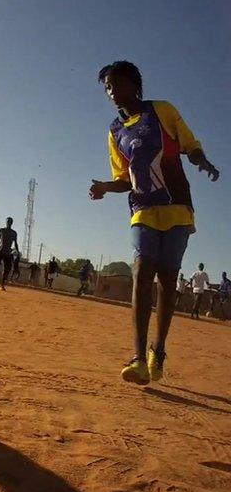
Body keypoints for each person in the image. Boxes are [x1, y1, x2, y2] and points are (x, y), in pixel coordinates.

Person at [89, 61, 220, 384]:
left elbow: (189, 145)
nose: (111, 92)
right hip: (143, 209)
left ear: (135, 84)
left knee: (167, 278)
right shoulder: (114, 131)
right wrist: (106, 187)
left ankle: (157, 350)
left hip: (177, 206)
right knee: (142, 269)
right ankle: (137, 357)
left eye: (116, 84)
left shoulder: (161, 110)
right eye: (107, 87)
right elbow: (125, 179)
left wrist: (202, 160)